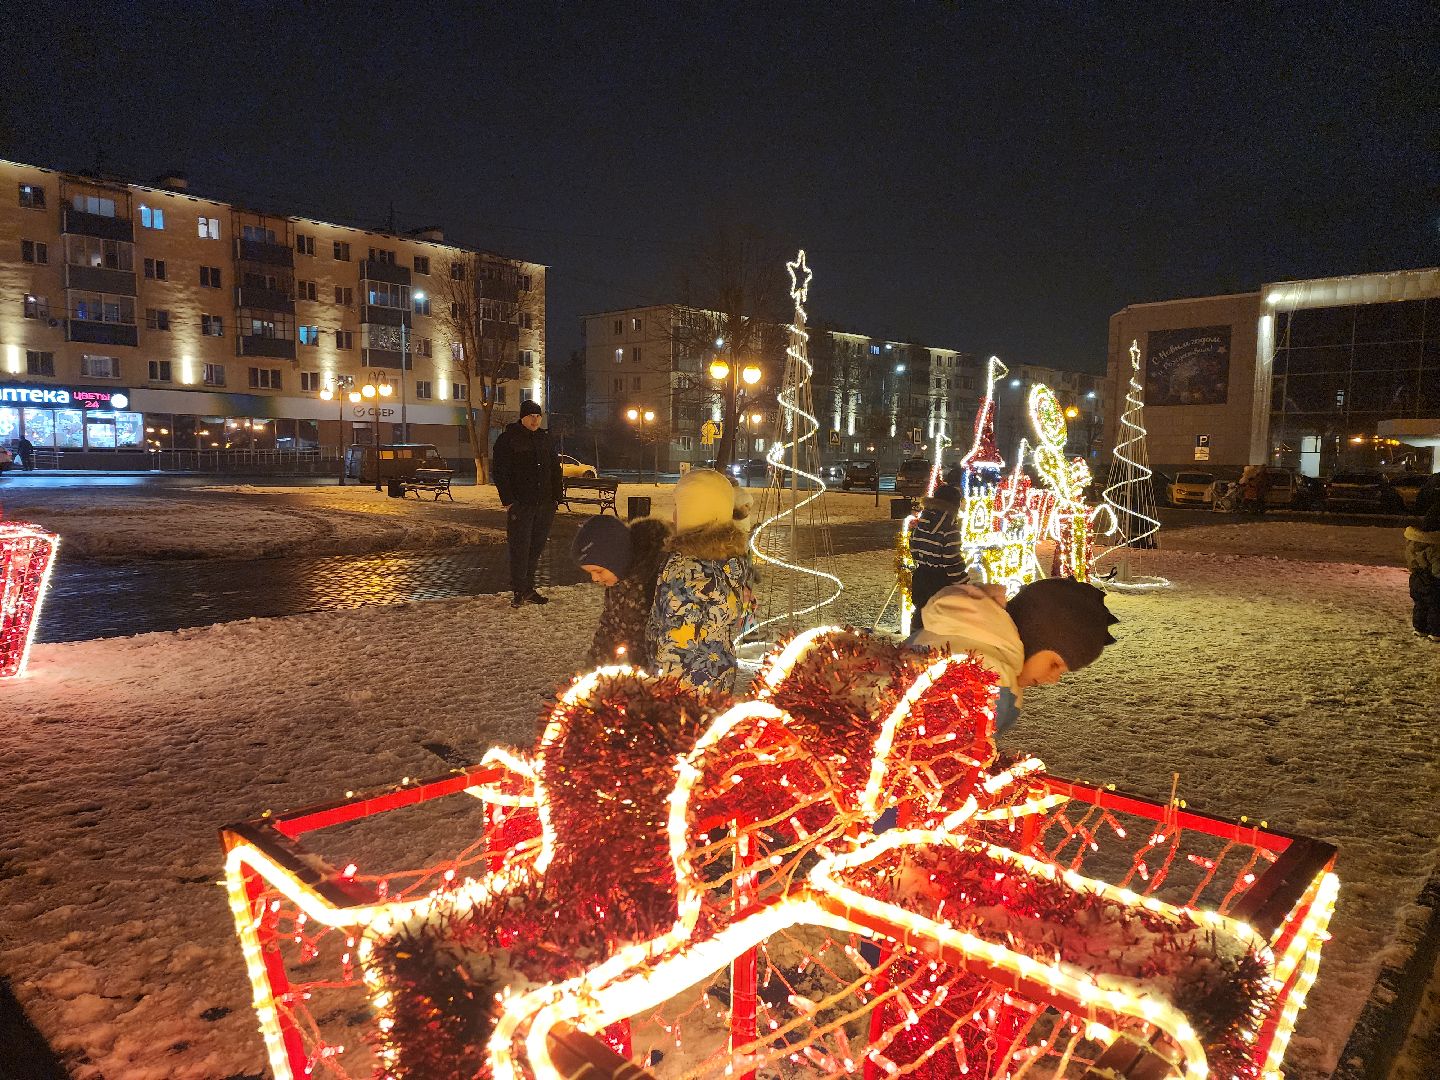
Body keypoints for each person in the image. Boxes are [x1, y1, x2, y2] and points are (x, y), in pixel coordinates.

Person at [909, 576, 1119, 736]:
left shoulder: (953, 628)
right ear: (1034, 636)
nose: (1054, 679)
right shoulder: (992, 680)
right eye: (1055, 664)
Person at [648, 469, 756, 692]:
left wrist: (662, 692)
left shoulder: (686, 569)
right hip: (719, 674)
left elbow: (676, 640)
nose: (674, 514)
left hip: (682, 686)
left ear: (694, 511)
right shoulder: (731, 561)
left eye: (679, 506)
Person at [572, 513, 673, 667]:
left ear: (616, 559)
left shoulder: (655, 579)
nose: (594, 578)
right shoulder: (617, 580)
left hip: (657, 677)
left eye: (598, 571)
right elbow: (609, 629)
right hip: (636, 672)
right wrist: (592, 672)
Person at [491, 400, 563, 608]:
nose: (535, 420)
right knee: (520, 548)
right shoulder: (508, 439)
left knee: (535, 548)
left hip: (545, 504)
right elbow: (500, 472)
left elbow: (554, 470)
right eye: (531, 416)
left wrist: (556, 498)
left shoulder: (545, 439)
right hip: (522, 505)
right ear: (522, 417)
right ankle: (518, 590)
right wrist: (510, 501)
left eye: (538, 416)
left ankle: (528, 588)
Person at [909, 483, 969, 623]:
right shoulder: (949, 529)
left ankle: (914, 643)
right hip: (940, 583)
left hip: (920, 579)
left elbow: (914, 549)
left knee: (920, 616)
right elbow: (952, 561)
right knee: (939, 624)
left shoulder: (920, 525)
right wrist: (963, 583)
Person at [1404, 502, 1440, 641]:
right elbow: (1438, 566)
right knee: (1436, 605)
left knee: (1420, 604)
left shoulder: (1413, 543)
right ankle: (1436, 631)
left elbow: (1410, 560)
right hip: (1432, 580)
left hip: (1416, 577)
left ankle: (1420, 628)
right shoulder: (1434, 546)